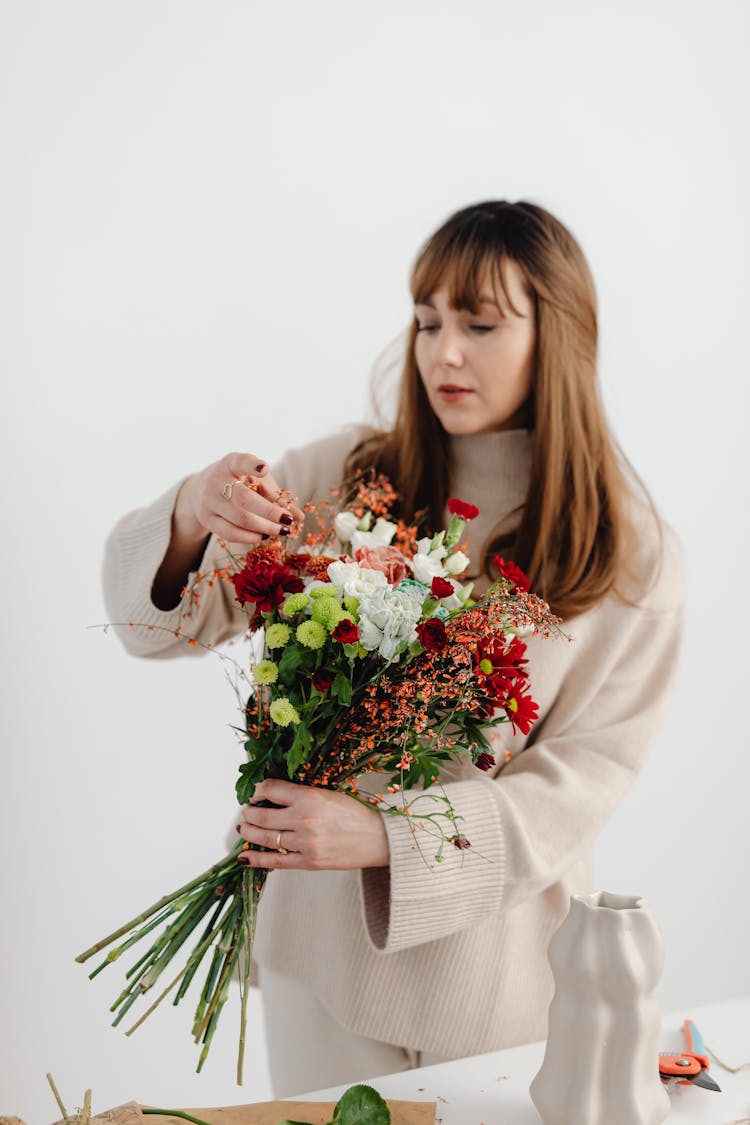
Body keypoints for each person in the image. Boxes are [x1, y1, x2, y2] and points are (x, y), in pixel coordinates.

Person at [102, 200, 685, 1096]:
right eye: (427, 321)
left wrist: (387, 835)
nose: (444, 352)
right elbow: (158, 626)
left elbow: (575, 790)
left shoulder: (626, 553)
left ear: (558, 334)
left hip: (490, 986)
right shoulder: (347, 477)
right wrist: (190, 511)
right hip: (317, 951)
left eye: (480, 323)